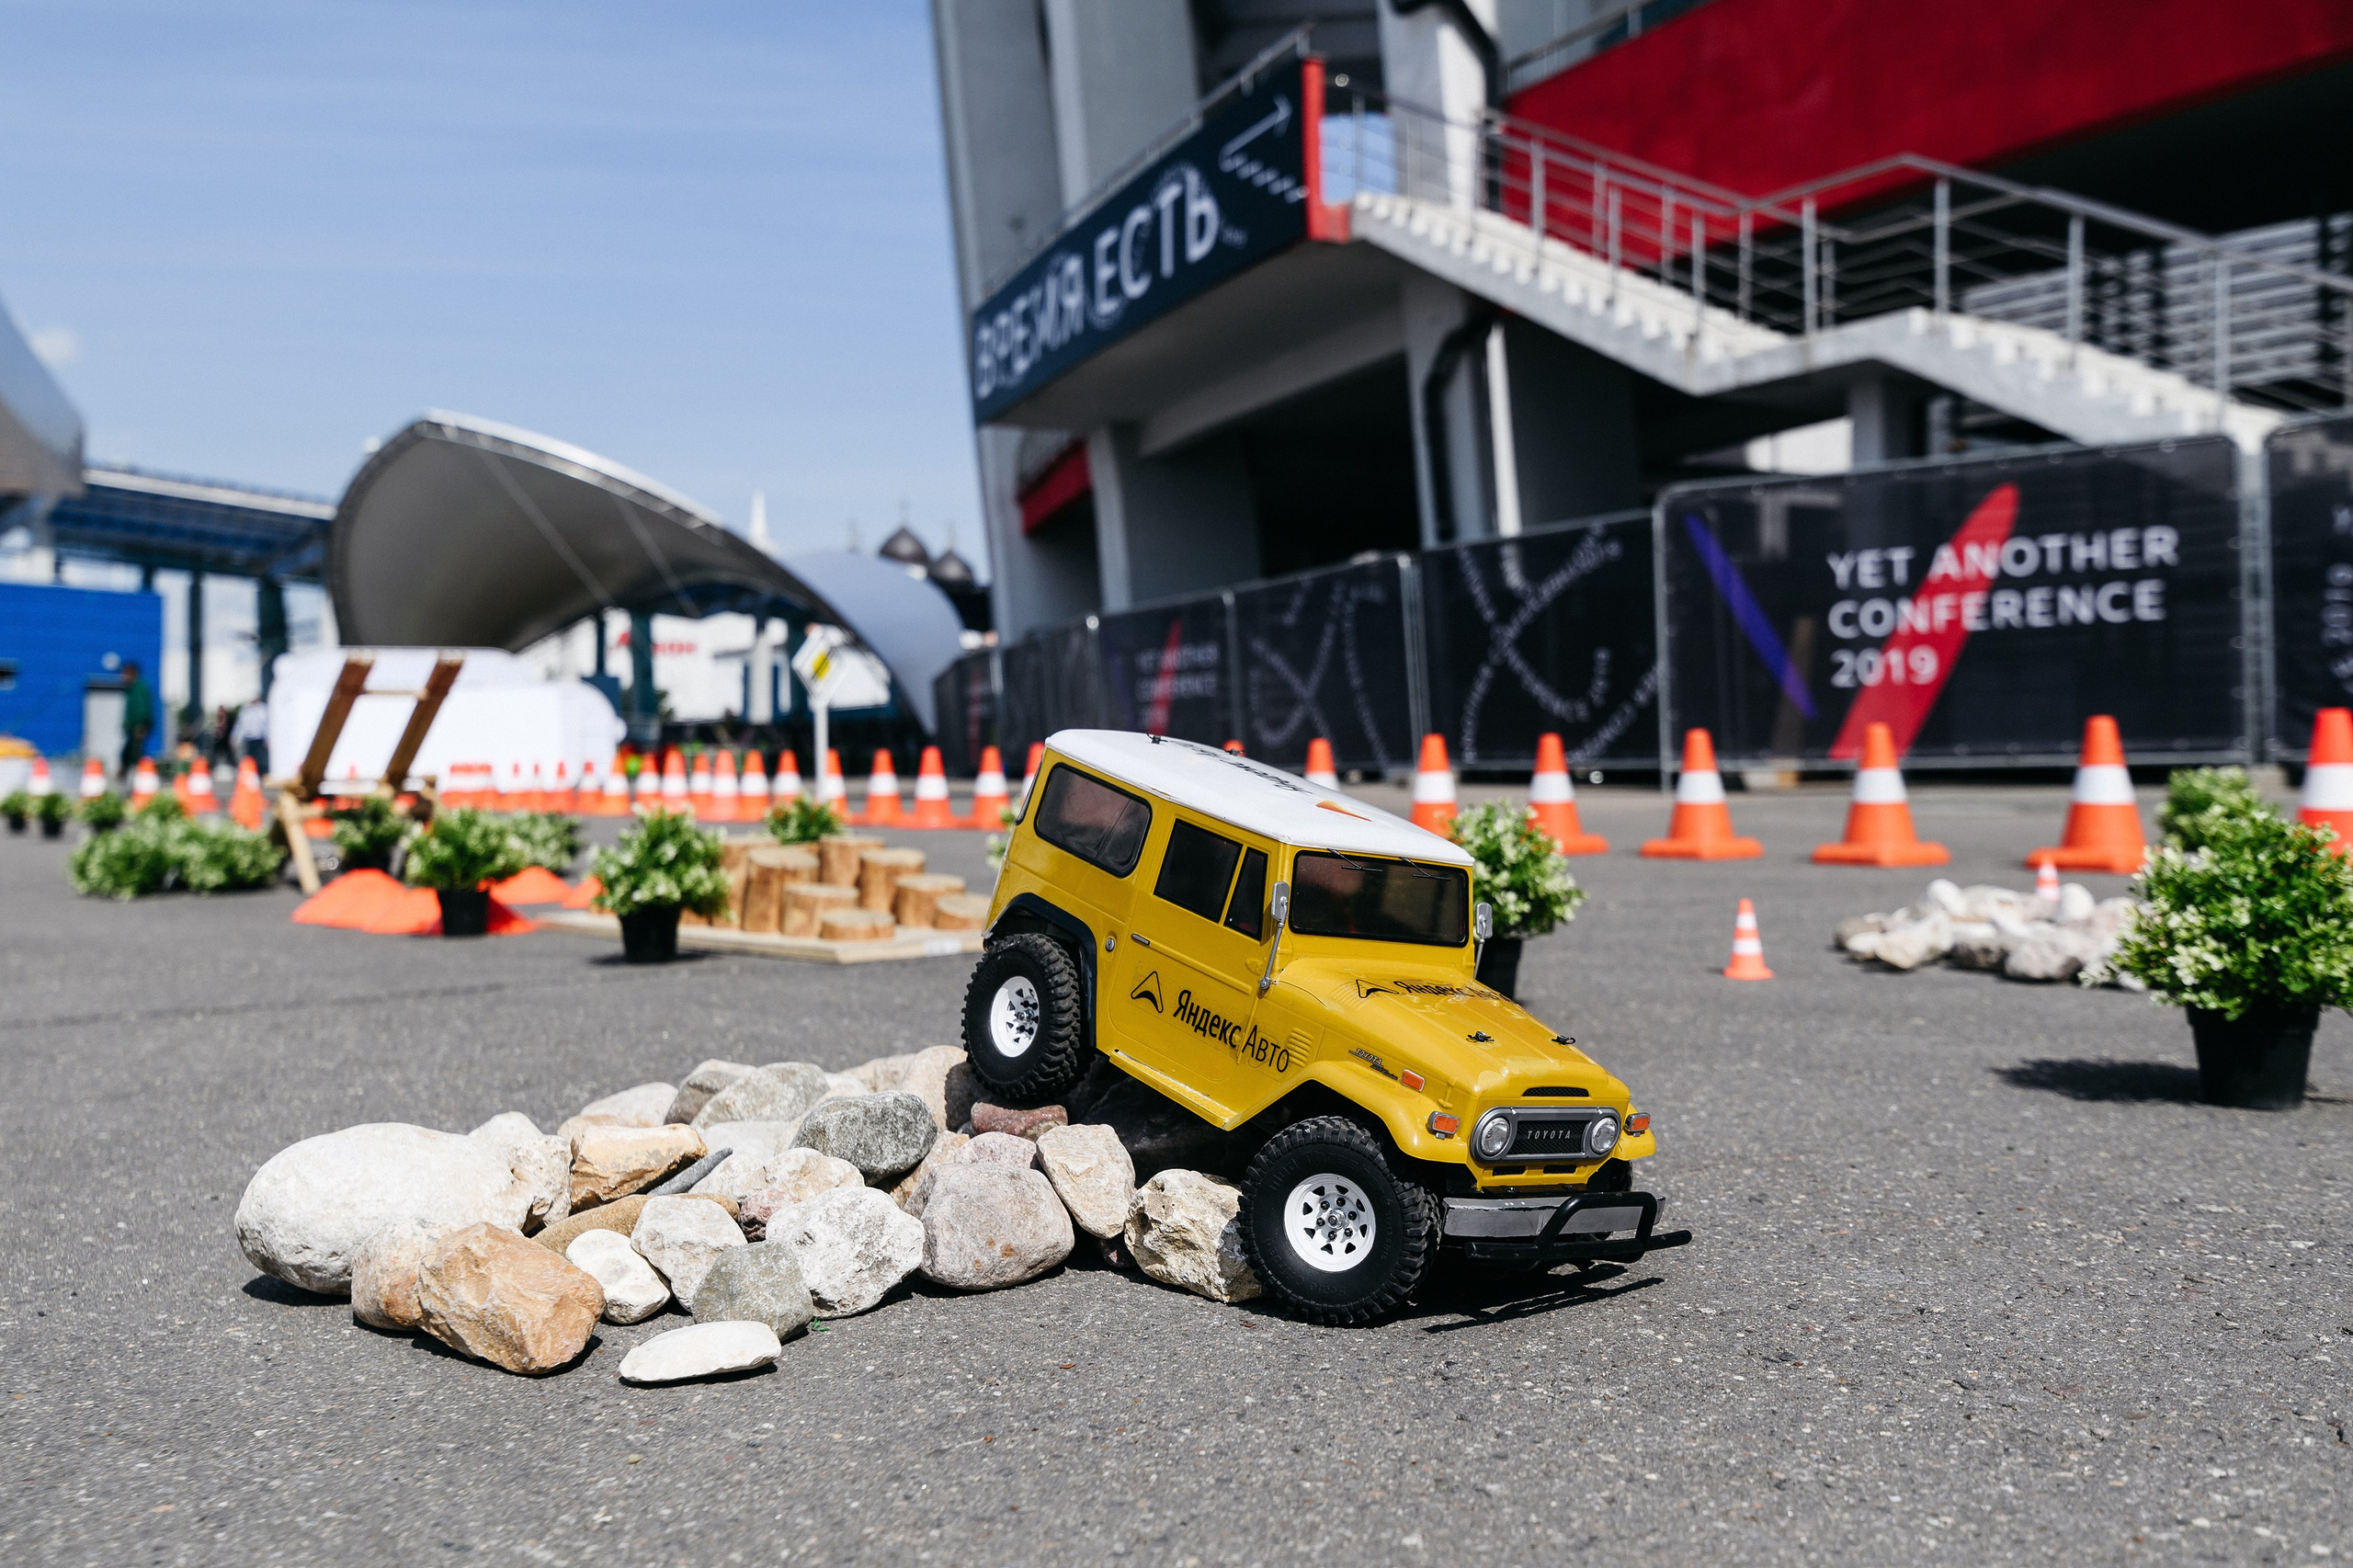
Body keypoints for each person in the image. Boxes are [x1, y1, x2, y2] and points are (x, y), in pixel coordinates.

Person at [119, 660, 153, 783]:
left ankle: (140, 778)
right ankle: (129, 777)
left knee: (135, 754)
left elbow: (142, 708)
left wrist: (142, 725)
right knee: (127, 753)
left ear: (132, 673)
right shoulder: (131, 689)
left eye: (125, 673)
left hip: (138, 727)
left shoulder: (139, 688)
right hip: (132, 727)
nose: (122, 676)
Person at [230, 697, 269, 774]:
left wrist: (267, 738)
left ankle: (260, 774)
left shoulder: (263, 709)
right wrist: (235, 738)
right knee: (248, 759)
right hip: (248, 739)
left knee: (260, 759)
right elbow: (240, 726)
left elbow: (267, 726)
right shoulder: (246, 710)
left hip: (259, 738)